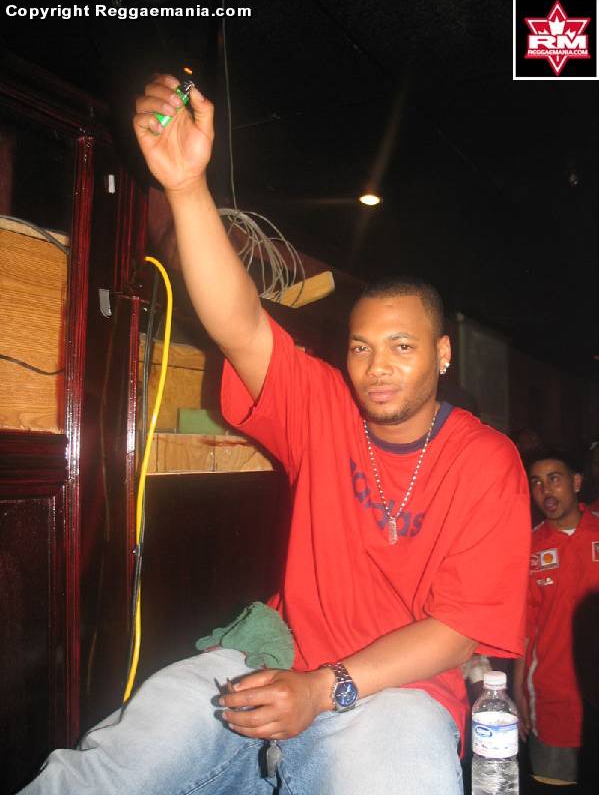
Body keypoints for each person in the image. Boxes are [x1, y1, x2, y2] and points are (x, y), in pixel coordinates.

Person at [18, 75, 531, 795]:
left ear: (442, 354)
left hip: (401, 694)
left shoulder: (486, 460)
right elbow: (240, 325)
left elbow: (459, 628)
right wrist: (187, 187)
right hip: (275, 659)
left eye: (402, 347)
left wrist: (324, 689)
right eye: (360, 347)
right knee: (122, 760)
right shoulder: (323, 408)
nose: (377, 367)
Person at [513, 449, 599, 789]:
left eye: (554, 479)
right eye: (536, 482)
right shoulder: (528, 548)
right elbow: (524, 628)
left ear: (576, 483)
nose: (545, 490)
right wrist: (519, 692)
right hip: (552, 701)